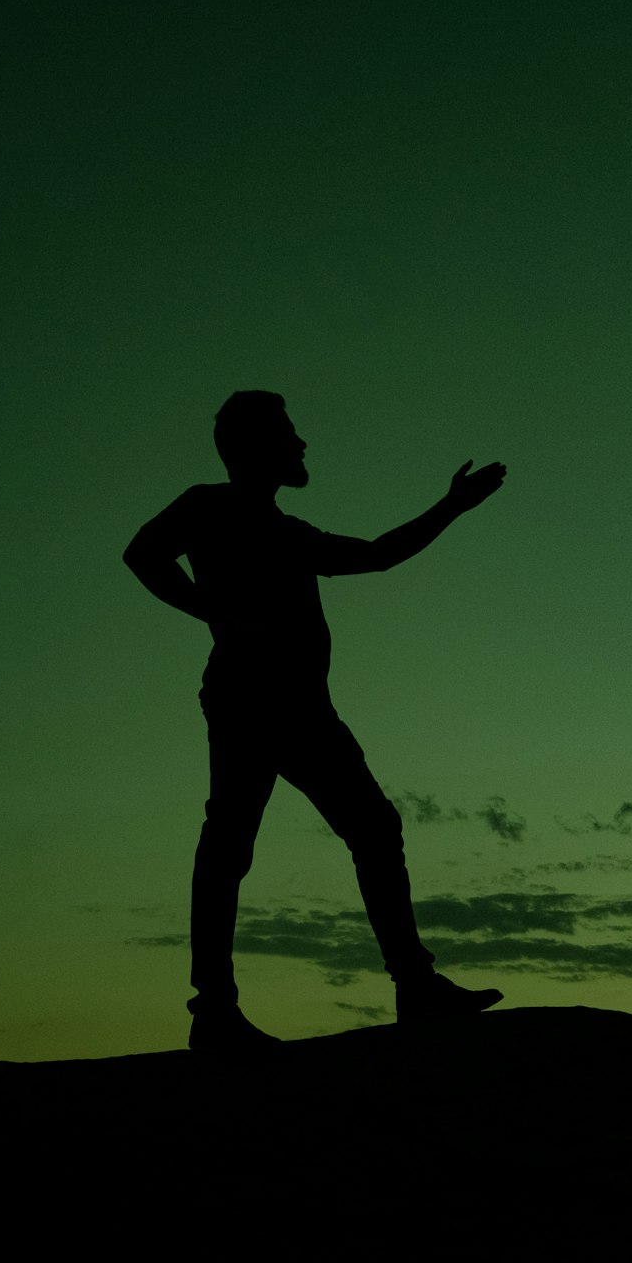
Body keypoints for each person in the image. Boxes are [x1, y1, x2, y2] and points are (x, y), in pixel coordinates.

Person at [122, 389, 507, 1053]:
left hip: (302, 706)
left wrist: (451, 506)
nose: (301, 444)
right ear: (256, 448)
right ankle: (217, 1010)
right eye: (288, 434)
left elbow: (378, 554)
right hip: (253, 698)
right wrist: (215, 612)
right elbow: (143, 554)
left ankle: (407, 987)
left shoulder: (290, 534)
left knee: (362, 830)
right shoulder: (208, 506)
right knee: (236, 843)